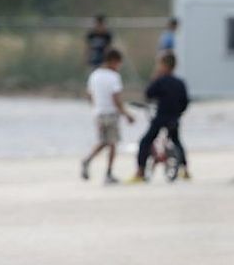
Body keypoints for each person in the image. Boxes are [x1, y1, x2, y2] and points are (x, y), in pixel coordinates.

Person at [130, 52, 190, 183]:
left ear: (164, 65)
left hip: (161, 117)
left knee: (145, 141)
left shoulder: (160, 81)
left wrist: (155, 77)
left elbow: (149, 93)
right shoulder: (180, 83)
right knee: (177, 141)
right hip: (174, 118)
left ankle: (140, 171)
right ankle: (185, 170)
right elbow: (185, 102)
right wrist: (178, 113)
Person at [81, 48, 134, 184]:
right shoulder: (114, 77)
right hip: (111, 113)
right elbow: (116, 99)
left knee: (104, 141)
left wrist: (95, 108)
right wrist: (127, 114)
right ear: (114, 61)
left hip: (98, 113)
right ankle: (108, 173)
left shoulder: (94, 75)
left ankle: (88, 159)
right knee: (112, 144)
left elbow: (89, 95)